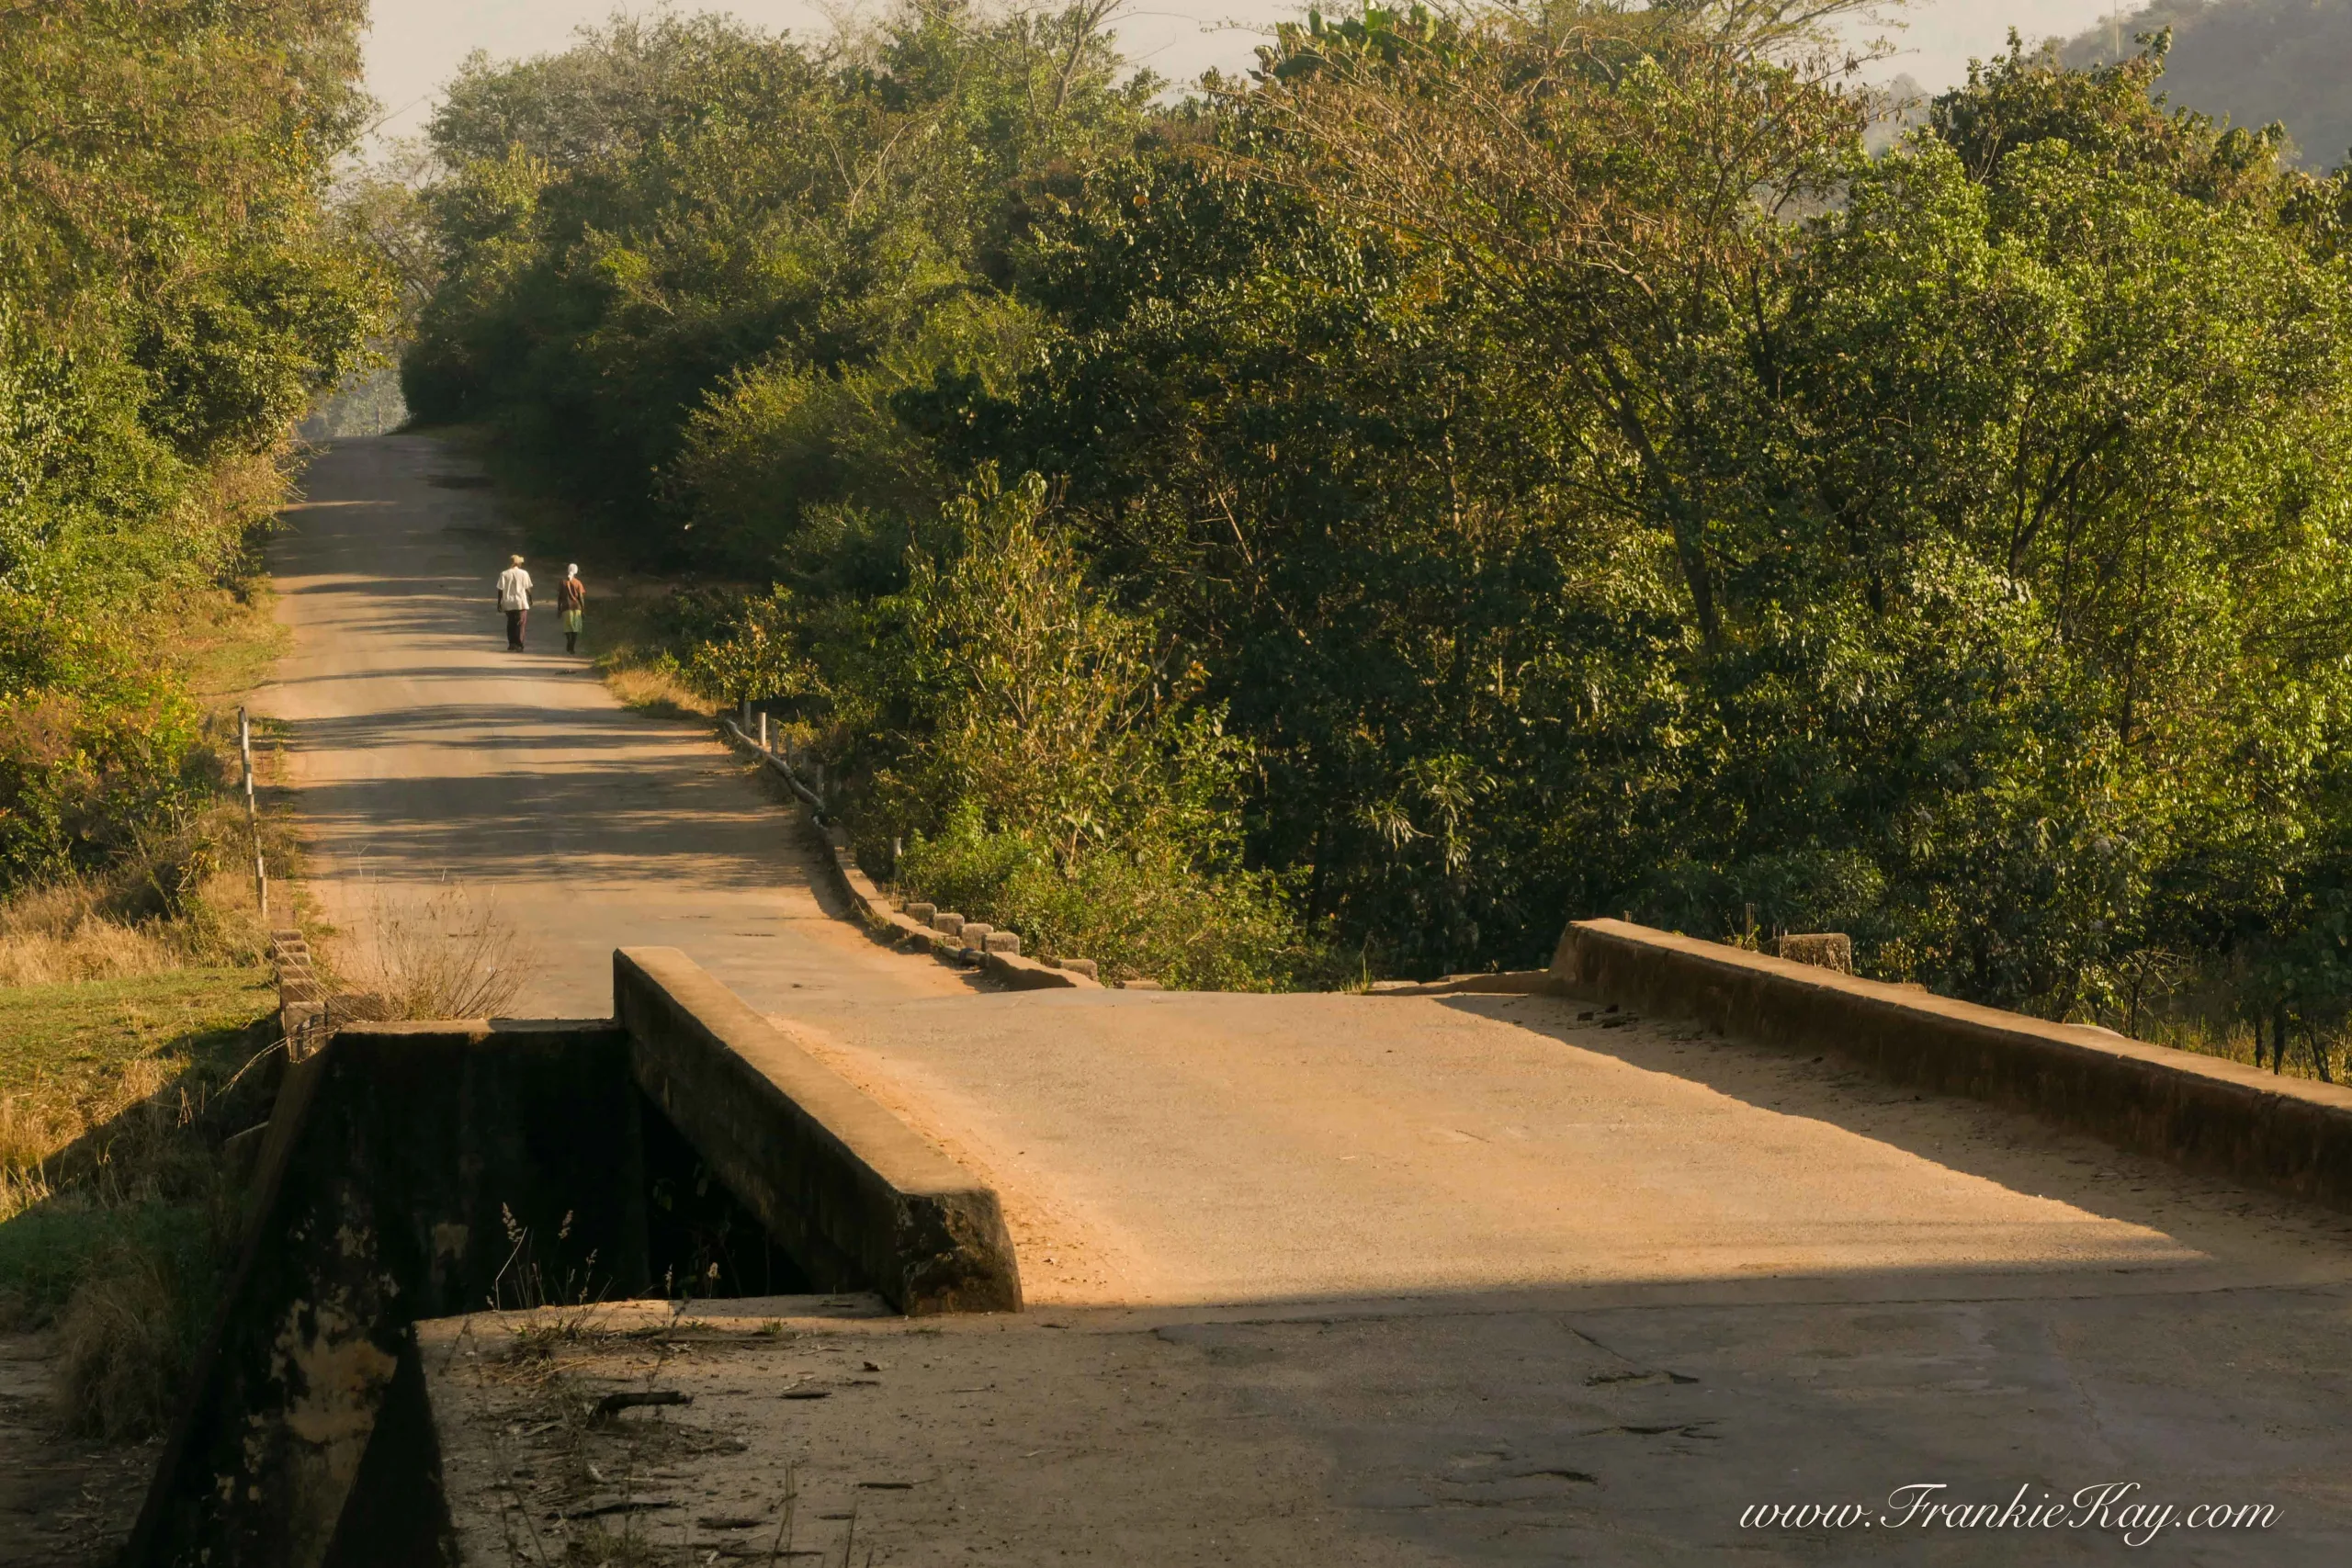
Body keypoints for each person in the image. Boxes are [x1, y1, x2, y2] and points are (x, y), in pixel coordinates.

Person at [495, 555, 533, 650]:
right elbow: (527, 588)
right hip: (521, 602)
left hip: (508, 603)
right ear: (518, 563)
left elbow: (500, 589)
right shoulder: (524, 573)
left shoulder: (504, 574)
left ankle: (512, 644)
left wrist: (499, 602)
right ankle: (519, 644)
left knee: (511, 623)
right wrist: (530, 598)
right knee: (521, 624)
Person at [557, 563, 586, 655]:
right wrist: (583, 609)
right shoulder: (578, 583)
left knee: (567, 628)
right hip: (576, 607)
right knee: (575, 629)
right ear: (576, 571)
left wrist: (559, 609)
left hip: (566, 607)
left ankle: (568, 642)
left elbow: (560, 597)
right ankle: (572, 646)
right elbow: (581, 597)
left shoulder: (562, 582)